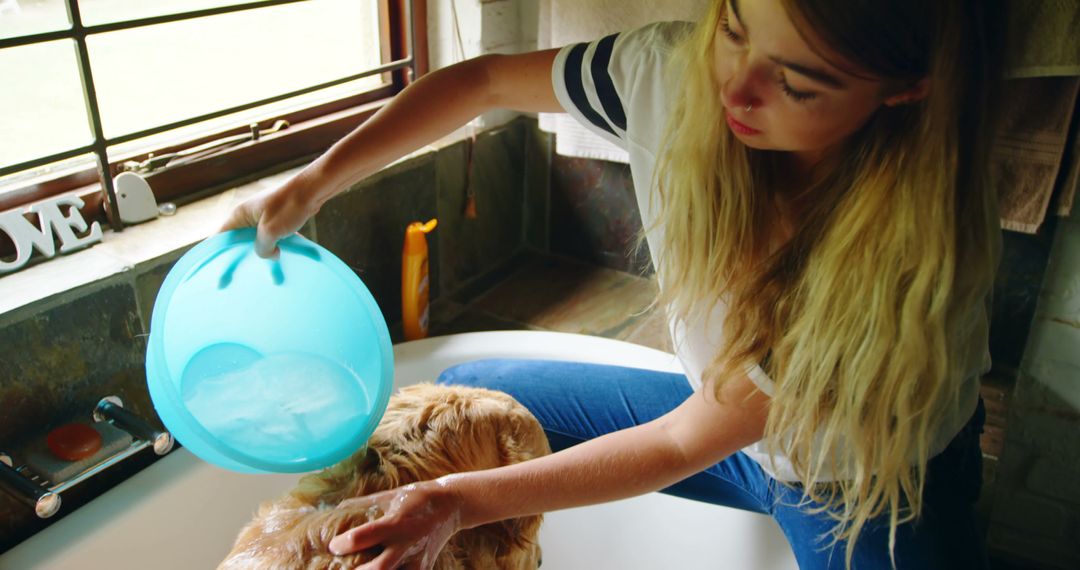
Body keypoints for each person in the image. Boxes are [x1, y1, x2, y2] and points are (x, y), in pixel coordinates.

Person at [221, 0, 1003, 568]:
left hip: (871, 489)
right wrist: (311, 185)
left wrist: (458, 502)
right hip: (736, 435)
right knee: (469, 400)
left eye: (797, 83)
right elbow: (485, 81)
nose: (734, 90)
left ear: (905, 89)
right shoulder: (664, 71)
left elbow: (681, 441)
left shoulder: (905, 256)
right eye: (733, 28)